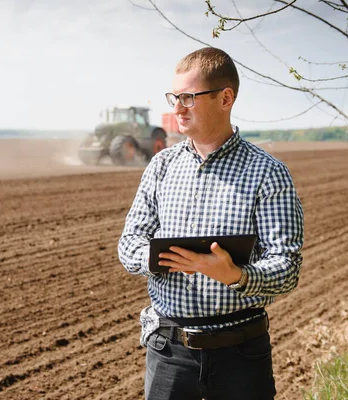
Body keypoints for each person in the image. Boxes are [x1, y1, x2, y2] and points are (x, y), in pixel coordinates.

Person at [118, 47, 304, 400]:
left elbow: (287, 267)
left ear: (225, 98)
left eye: (189, 97)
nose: (177, 108)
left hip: (241, 355)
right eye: (175, 97)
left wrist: (235, 275)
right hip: (168, 351)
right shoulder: (161, 166)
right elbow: (129, 243)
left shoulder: (268, 173)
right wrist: (156, 258)